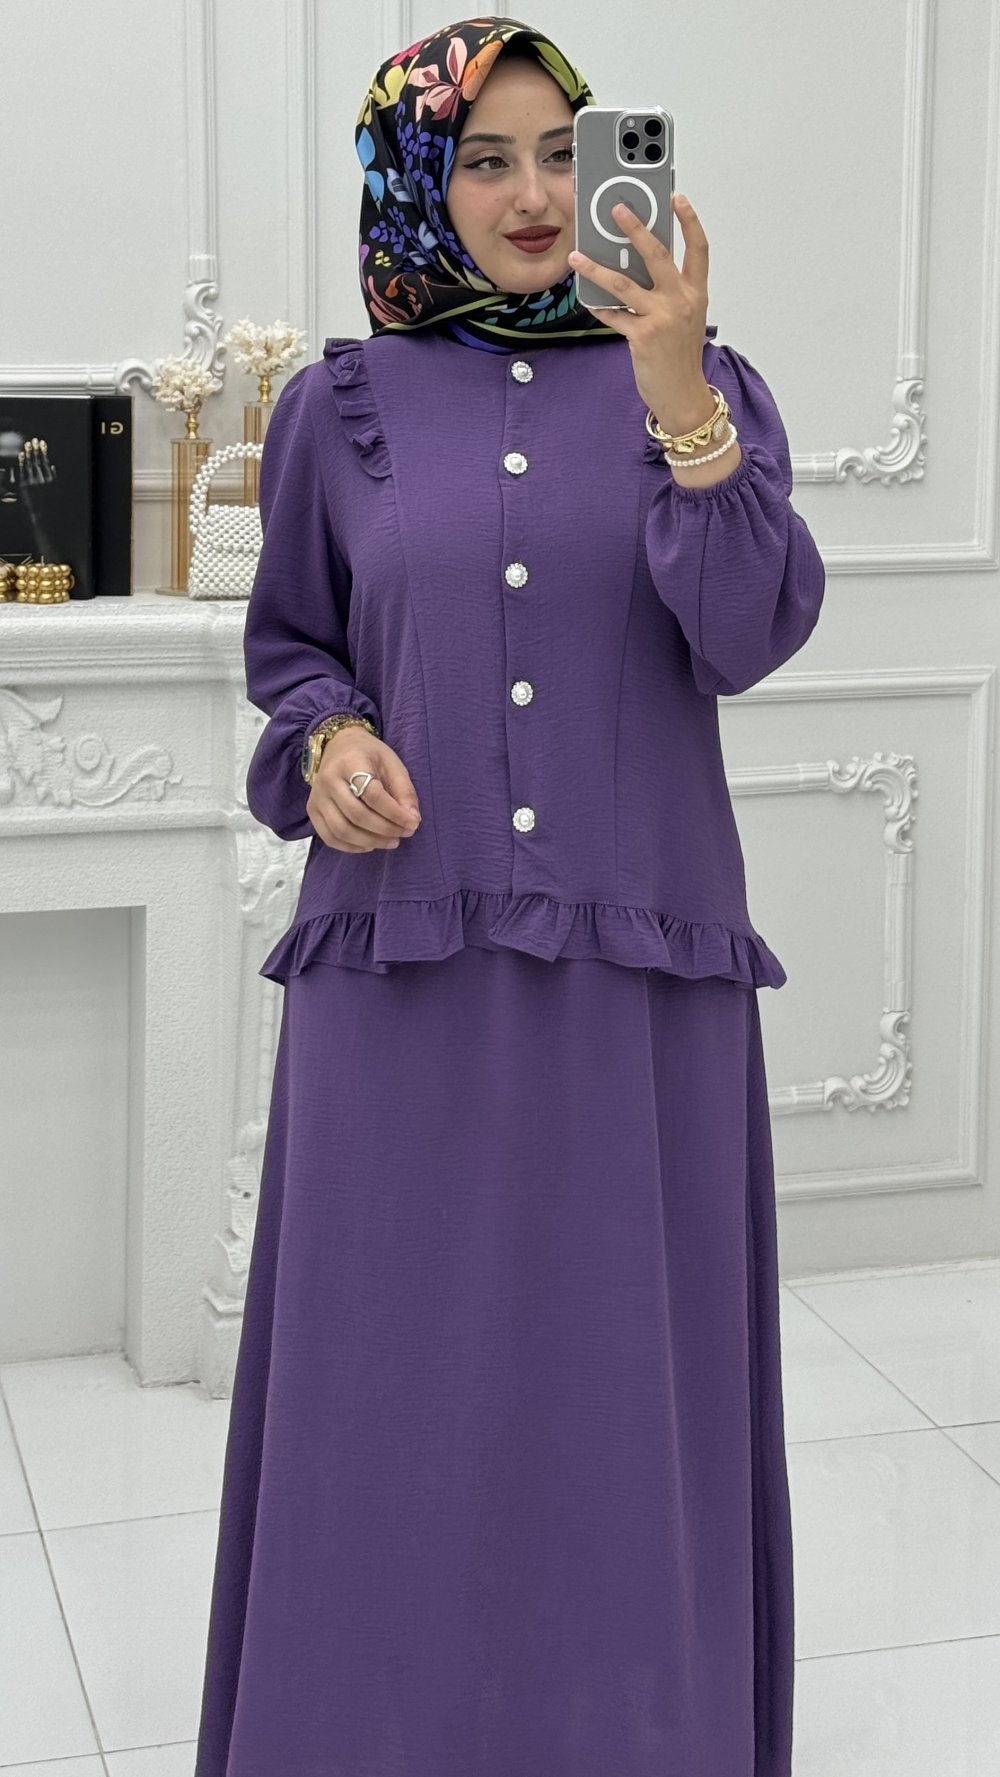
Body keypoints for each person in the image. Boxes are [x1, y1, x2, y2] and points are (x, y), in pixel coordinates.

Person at [194, 16, 825, 1776]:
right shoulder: (338, 410)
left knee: (625, 1405)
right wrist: (329, 745)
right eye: (484, 159)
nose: (535, 194)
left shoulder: (701, 382)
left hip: (640, 987)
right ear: (421, 179)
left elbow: (749, 631)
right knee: (387, 1395)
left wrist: (683, 398)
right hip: (399, 974)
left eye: (564, 151)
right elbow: (293, 654)